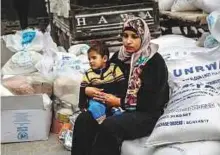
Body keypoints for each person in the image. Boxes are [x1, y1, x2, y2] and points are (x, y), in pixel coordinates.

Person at [71, 17, 169, 155]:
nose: (128, 41)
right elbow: (104, 79)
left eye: (134, 37)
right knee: (84, 119)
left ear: (143, 37)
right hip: (115, 106)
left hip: (145, 114)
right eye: (125, 36)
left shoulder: (154, 62)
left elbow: (153, 102)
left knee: (110, 125)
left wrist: (119, 102)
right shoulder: (119, 57)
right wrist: (88, 90)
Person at [78, 42, 126, 124]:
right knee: (94, 107)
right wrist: (82, 105)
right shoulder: (88, 73)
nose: (91, 61)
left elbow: (122, 83)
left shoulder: (113, 68)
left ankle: (113, 122)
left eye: (94, 58)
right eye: (89, 59)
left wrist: (121, 98)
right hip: (97, 100)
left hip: (113, 99)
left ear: (104, 59)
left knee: (118, 114)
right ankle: (101, 123)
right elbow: (82, 89)